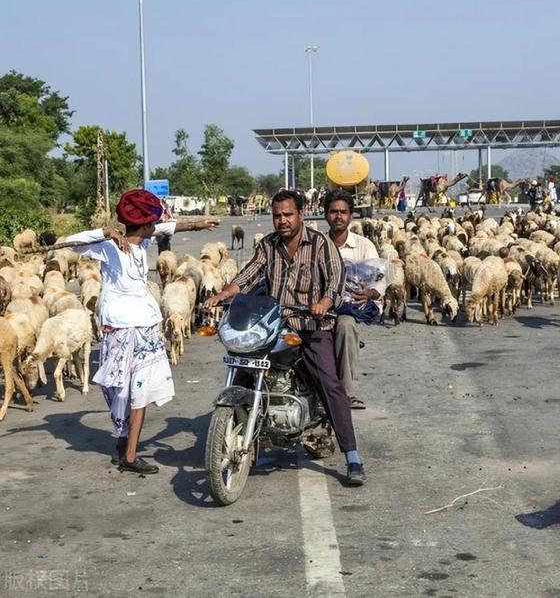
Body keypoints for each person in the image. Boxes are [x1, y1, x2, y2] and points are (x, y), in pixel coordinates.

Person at [204, 190, 367, 486]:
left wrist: (325, 303)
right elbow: (248, 276)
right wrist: (223, 294)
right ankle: (237, 435)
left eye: (288, 215)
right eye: (277, 216)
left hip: (312, 324)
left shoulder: (321, 244)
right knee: (244, 369)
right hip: (278, 325)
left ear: (301, 215)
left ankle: (352, 456)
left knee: (330, 384)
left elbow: (335, 281)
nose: (282, 221)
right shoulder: (268, 246)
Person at [65, 189, 219, 474]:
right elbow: (71, 242)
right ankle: (123, 445)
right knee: (118, 392)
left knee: (139, 392)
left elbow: (167, 227)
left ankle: (130, 454)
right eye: (151, 223)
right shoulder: (109, 247)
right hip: (119, 330)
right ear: (145, 224)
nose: (155, 228)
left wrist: (198, 224)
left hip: (145, 328)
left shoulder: (144, 240)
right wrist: (105, 231)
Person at [324, 190, 386, 411]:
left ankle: (346, 393)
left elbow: (380, 277)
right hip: (321, 306)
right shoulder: (318, 245)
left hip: (348, 308)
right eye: (333, 212)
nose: (338, 216)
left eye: (343, 212)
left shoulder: (363, 245)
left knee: (346, 326)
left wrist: (369, 293)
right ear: (326, 215)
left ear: (351, 216)